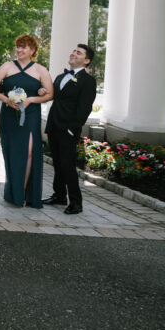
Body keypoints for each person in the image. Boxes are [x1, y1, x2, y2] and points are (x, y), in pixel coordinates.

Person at [0, 34, 54, 208]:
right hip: (10, 115)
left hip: (31, 115)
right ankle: (14, 191)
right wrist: (7, 101)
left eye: (23, 47)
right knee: (13, 154)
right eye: (18, 47)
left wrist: (31, 100)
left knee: (30, 152)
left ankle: (22, 192)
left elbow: (49, 94)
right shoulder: (7, 66)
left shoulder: (41, 70)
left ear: (32, 50)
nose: (19, 50)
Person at [43, 43, 97, 214]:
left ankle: (76, 202)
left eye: (78, 53)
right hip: (54, 126)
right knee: (58, 164)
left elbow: (84, 108)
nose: (73, 54)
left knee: (67, 165)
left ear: (86, 61)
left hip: (68, 129)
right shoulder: (60, 76)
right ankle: (59, 196)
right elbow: (53, 96)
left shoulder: (88, 81)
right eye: (74, 51)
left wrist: (72, 129)